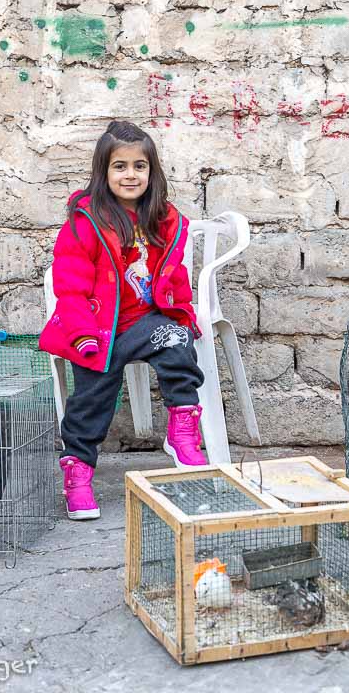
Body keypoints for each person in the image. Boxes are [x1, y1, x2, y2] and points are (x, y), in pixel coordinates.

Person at [39, 120, 206, 521]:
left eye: (139, 166)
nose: (130, 175)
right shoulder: (86, 224)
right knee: (93, 395)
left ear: (152, 172)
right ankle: (77, 471)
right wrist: (81, 335)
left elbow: (172, 275)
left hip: (143, 322)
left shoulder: (161, 221)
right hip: (96, 328)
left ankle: (182, 424)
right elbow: (71, 288)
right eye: (120, 166)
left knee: (176, 342)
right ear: (103, 171)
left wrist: (183, 314)